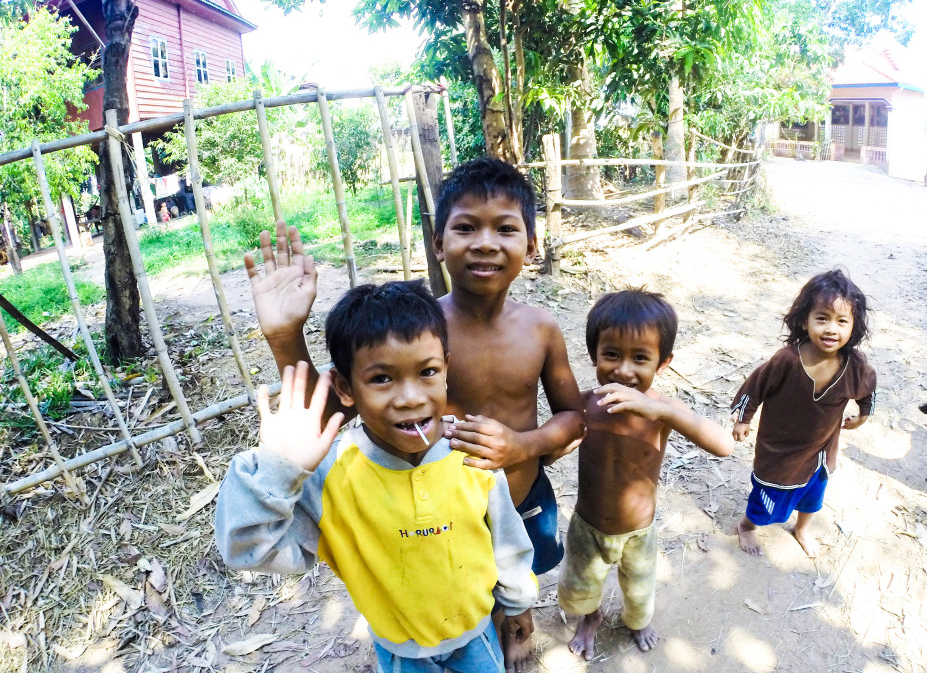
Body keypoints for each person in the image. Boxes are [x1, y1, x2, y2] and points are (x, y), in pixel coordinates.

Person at [243, 157, 584, 672]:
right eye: (466, 227)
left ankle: (516, 629)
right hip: (435, 505)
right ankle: (474, 640)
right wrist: (286, 337)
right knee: (446, 585)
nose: (485, 242)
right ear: (438, 244)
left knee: (519, 577)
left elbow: (574, 419)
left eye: (506, 229)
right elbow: (332, 411)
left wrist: (522, 446)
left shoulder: (541, 330)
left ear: (531, 246)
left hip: (520, 490)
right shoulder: (419, 334)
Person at [215, 281, 538, 672]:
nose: (410, 397)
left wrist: (518, 603)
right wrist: (277, 470)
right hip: (400, 652)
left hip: (477, 637)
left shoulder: (470, 451)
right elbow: (246, 549)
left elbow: (507, 539)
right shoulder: (330, 476)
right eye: (382, 379)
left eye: (427, 372)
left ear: (446, 371)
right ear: (346, 389)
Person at [557, 289, 735, 660]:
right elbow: (551, 447)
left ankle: (637, 622)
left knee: (639, 592)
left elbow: (723, 445)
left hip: (639, 531)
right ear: (594, 354)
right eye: (611, 354)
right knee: (582, 586)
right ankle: (590, 619)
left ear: (663, 362)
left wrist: (661, 412)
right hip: (588, 525)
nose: (624, 370)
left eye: (640, 358)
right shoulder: (586, 403)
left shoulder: (663, 410)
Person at [731, 268, 877, 558]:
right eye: (822, 318)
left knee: (812, 497)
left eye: (841, 321)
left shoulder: (855, 365)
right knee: (766, 498)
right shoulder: (787, 360)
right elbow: (755, 385)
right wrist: (743, 418)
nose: (831, 329)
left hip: (821, 451)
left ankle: (802, 528)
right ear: (805, 320)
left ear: (853, 326)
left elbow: (868, 389)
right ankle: (747, 525)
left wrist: (863, 415)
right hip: (779, 451)